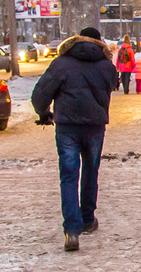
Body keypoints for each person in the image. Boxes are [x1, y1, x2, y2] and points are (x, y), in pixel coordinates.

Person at [31, 27, 118, 251]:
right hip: (95, 127)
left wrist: (44, 113)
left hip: (67, 126)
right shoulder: (107, 66)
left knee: (69, 176)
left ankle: (71, 229)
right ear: (100, 43)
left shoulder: (61, 63)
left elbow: (40, 93)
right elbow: (112, 86)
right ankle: (88, 219)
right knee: (90, 172)